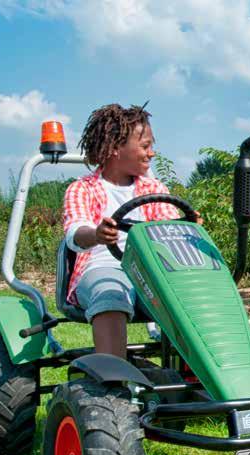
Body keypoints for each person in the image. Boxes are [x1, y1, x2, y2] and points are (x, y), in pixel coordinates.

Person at [63, 103, 181, 359]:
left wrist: (186, 228)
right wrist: (96, 234)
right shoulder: (82, 188)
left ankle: (196, 375)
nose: (152, 153)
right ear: (116, 148)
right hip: (102, 266)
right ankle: (112, 378)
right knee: (110, 293)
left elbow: (168, 227)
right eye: (145, 146)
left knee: (189, 293)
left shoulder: (154, 188)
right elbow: (75, 232)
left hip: (151, 270)